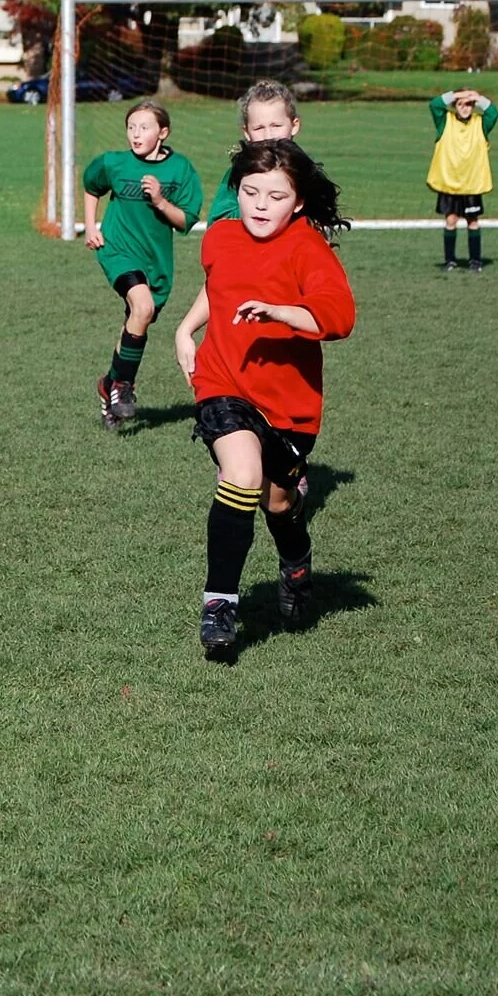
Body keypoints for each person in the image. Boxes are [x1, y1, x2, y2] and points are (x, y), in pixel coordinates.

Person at [172, 138, 356, 660]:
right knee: (240, 475)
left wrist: (282, 312)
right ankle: (220, 603)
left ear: (297, 201)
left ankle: (295, 557)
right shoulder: (220, 237)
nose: (259, 205)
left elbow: (339, 317)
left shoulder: (307, 248)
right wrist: (186, 330)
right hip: (223, 382)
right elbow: (219, 284)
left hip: (291, 406)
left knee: (279, 502)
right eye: (251, 192)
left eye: (275, 197)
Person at [81, 99, 204, 428]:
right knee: (143, 305)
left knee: (138, 318)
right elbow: (91, 186)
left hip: (156, 261)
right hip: (118, 249)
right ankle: (124, 387)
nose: (136, 134)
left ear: (163, 132)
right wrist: (92, 227)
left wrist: (161, 201)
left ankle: (109, 384)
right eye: (131, 127)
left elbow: (185, 221)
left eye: (144, 127)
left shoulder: (181, 170)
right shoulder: (114, 163)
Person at [203, 80, 302, 227]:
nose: (268, 135)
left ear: (294, 126)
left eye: (276, 126)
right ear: (247, 132)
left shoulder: (305, 170)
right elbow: (218, 222)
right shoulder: (238, 172)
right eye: (259, 128)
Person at [427, 86, 497, 272]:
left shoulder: (480, 123)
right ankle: (450, 260)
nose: (465, 108)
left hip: (471, 184)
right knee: (450, 221)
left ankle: (475, 261)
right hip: (449, 183)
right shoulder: (445, 121)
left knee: (472, 221)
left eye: (468, 104)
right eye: (460, 104)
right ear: (455, 106)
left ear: (473, 106)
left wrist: (479, 97)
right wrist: (456, 94)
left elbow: (494, 113)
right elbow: (434, 105)